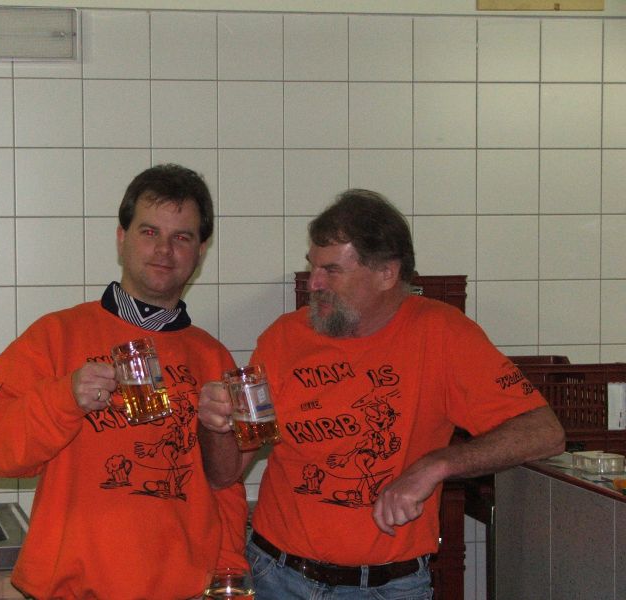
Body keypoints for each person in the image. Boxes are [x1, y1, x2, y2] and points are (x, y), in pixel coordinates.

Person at [197, 189, 565, 599]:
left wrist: (436, 464)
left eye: (331, 271)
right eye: (312, 266)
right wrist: (215, 426)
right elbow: (225, 473)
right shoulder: (284, 337)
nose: (313, 283)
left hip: (388, 587)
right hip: (277, 576)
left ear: (387, 274)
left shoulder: (442, 334)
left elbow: (545, 432)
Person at [0, 164, 248, 600]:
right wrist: (64, 398)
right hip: (70, 592)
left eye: (182, 237)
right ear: (121, 238)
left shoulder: (213, 357)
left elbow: (224, 488)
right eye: (149, 232)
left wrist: (229, 575)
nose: (164, 250)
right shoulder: (56, 336)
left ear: (201, 250)